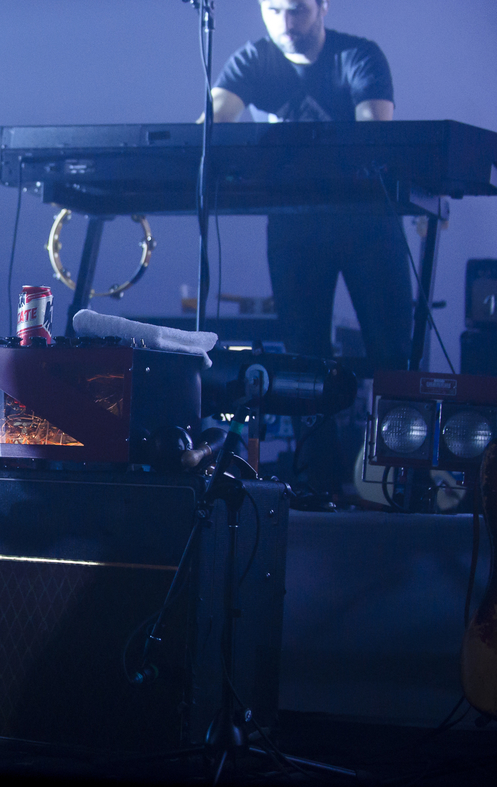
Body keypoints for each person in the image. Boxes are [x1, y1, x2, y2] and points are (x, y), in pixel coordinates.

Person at [207, 0, 412, 497]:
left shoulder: (358, 58)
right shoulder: (253, 60)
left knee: (391, 357)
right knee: (303, 361)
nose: (286, 23)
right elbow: (213, 123)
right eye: (274, 10)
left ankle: (397, 480)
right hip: (296, 227)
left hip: (368, 225)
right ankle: (318, 483)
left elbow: (373, 137)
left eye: (297, 10)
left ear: (322, 6)